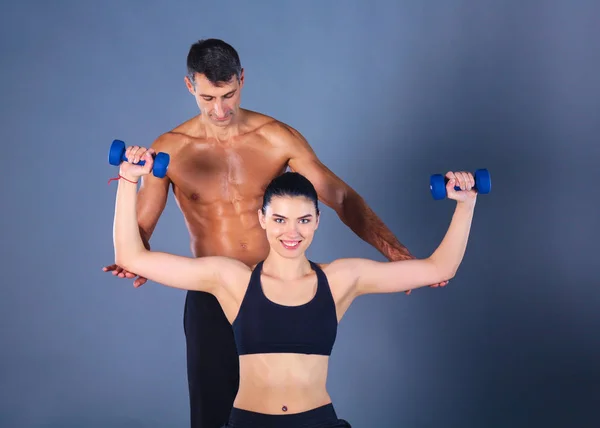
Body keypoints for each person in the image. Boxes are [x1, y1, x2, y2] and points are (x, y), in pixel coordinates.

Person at [103, 38, 447, 428]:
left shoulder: (277, 138)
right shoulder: (171, 148)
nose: (220, 109)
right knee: (210, 416)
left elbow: (340, 197)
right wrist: (136, 254)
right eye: (208, 98)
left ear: (242, 80)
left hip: (272, 292)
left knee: (285, 406)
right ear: (190, 88)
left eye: (229, 95)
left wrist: (394, 250)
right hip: (212, 294)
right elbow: (143, 223)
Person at [111, 146, 479, 428]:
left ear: (317, 221)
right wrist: (129, 179)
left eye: (304, 219)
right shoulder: (231, 279)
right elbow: (131, 255)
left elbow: (438, 268)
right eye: (280, 219)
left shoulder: (341, 279)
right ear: (263, 220)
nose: (292, 232)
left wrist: (465, 203)